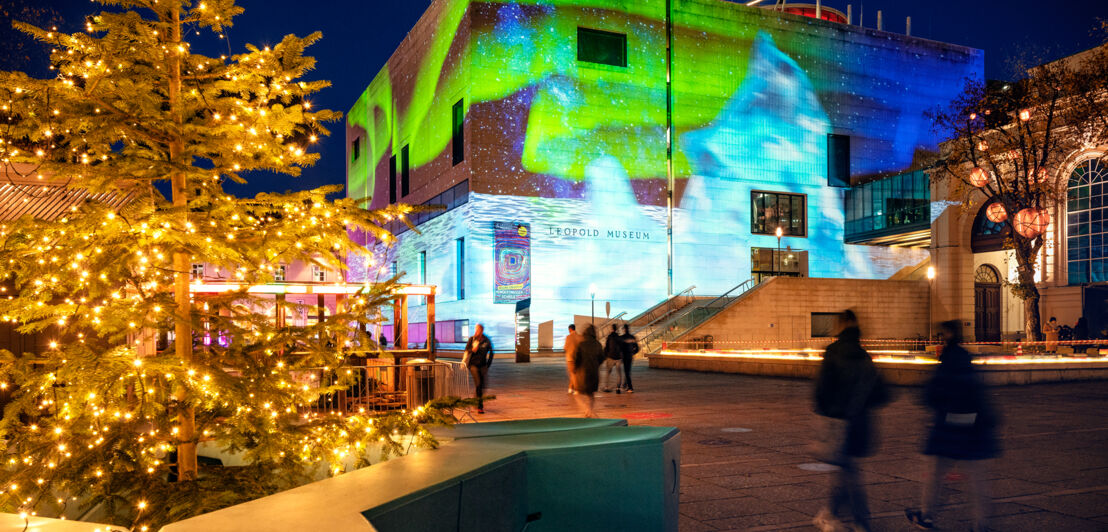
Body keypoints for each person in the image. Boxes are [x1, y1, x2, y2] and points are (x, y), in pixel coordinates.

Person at [906, 320, 999, 531]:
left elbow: (931, 395)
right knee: (977, 479)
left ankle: (927, 516)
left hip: (948, 427)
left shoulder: (946, 363)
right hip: (973, 427)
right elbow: (979, 394)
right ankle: (982, 524)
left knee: (935, 473)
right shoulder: (967, 361)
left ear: (946, 336)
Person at [812, 310, 889, 532]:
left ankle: (856, 520)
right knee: (846, 470)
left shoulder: (833, 352)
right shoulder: (864, 355)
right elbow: (882, 393)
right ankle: (833, 514)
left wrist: (831, 411)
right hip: (861, 423)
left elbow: (821, 392)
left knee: (848, 472)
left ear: (841, 324)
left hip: (839, 423)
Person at [571, 324, 603, 418]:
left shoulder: (582, 344)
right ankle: (589, 411)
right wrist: (596, 364)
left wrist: (575, 368)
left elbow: (576, 358)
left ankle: (587, 410)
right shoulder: (597, 344)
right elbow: (601, 357)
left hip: (583, 373)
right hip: (594, 372)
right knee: (591, 394)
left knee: (577, 393)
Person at [463, 323, 494, 414]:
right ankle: (480, 406)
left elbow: (491, 352)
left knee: (483, 385)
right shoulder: (472, 339)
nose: (476, 331)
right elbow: (466, 350)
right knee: (479, 384)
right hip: (473, 365)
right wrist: (472, 349)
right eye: (476, 329)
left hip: (483, 365)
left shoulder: (486, 340)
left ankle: (476, 400)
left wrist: (488, 364)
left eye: (478, 329)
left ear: (482, 330)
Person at [602, 324, 624, 393]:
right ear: (616, 329)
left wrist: (605, 356)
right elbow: (622, 348)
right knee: (619, 373)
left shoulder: (609, 337)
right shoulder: (619, 337)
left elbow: (606, 347)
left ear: (612, 329)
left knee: (608, 373)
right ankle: (618, 388)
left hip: (610, 357)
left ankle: (606, 387)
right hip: (618, 358)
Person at [620, 323, 640, 393]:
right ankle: (625, 385)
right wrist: (633, 353)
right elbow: (637, 348)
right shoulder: (632, 337)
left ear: (624, 329)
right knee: (628, 372)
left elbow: (620, 348)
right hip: (630, 357)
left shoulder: (622, 338)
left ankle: (630, 387)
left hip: (625, 357)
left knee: (626, 372)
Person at [564, 324, 582, 394]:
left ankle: (576, 389)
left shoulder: (568, 337)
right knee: (574, 373)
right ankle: (570, 388)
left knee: (573, 374)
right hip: (578, 358)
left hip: (570, 358)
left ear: (570, 329)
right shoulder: (579, 337)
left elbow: (565, 347)